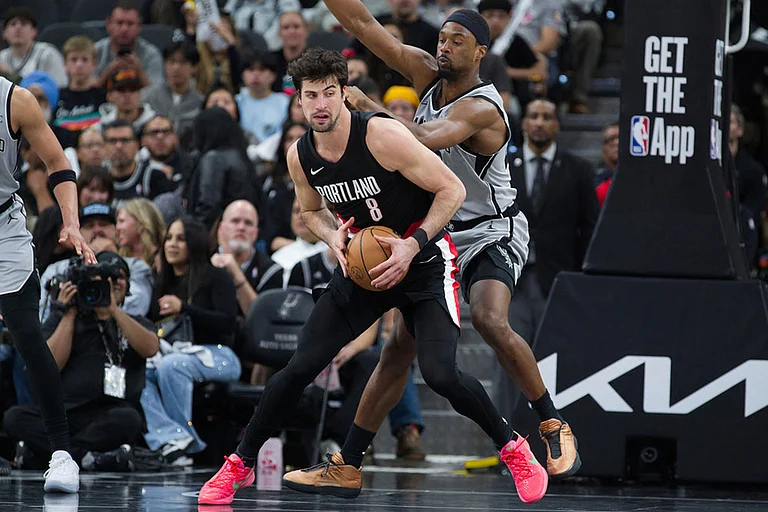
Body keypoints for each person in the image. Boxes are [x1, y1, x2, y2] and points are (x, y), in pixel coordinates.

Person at [197, 47, 523, 506]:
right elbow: (311, 211)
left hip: (423, 262)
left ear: (344, 93)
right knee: (299, 367)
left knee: (441, 374)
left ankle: (513, 448)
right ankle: (240, 464)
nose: (321, 105)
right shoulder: (299, 155)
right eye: (311, 96)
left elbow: (451, 189)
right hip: (364, 267)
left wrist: (413, 244)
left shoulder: (383, 135)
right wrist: (332, 237)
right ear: (298, 101)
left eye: (329, 93)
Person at [300, 0, 581, 500]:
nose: (444, 46)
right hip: (440, 230)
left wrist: (367, 110)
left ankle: (552, 422)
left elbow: (425, 137)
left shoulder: (483, 107)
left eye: (457, 41)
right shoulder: (427, 72)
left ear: (481, 51)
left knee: (489, 319)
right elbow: (364, 25)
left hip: (492, 229)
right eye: (442, 38)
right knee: (397, 351)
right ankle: (349, 463)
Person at [0, 75, 95, 492]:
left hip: (3, 227)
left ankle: (62, 455)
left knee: (27, 335)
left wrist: (71, 223)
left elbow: (58, 164)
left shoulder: (15, 100)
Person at [5, 251, 158, 472]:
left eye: (118, 278)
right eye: (100, 281)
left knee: (129, 419)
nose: (109, 285)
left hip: (110, 414)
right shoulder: (64, 318)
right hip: (65, 413)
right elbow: (50, 365)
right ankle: (88, 458)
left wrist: (113, 310)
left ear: (128, 287)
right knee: (15, 417)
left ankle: (53, 456)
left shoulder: (135, 322)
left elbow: (150, 348)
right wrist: (69, 313)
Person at [141, 216, 240, 466]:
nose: (172, 244)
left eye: (181, 239)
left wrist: (184, 308)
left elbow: (228, 323)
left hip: (219, 355)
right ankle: (171, 438)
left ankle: (184, 444)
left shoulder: (216, 277)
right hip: (173, 354)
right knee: (140, 373)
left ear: (194, 243)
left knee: (172, 365)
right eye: (169, 238)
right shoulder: (162, 281)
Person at [39, 202, 154, 324]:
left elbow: (138, 309)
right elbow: (43, 317)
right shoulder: (58, 269)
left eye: (104, 224)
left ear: (116, 230)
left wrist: (113, 260)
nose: (97, 230)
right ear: (79, 232)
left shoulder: (136, 267)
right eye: (89, 226)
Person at [53, 36, 107, 150]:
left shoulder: (103, 97)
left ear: (94, 64)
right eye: (74, 59)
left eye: (85, 59)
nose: (79, 64)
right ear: (65, 64)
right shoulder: (56, 96)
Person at [94, 1, 163, 87]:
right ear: (109, 24)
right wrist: (108, 71)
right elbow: (86, 90)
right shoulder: (95, 52)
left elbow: (157, 92)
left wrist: (139, 71)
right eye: (119, 23)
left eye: (130, 24)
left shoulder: (151, 54)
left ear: (139, 26)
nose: (124, 29)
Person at [0, 7, 68, 87]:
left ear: (34, 31)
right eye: (13, 24)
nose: (18, 28)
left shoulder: (48, 54)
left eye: (24, 24)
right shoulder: (1, 57)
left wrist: (12, 75)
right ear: (5, 33)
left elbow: (60, 86)